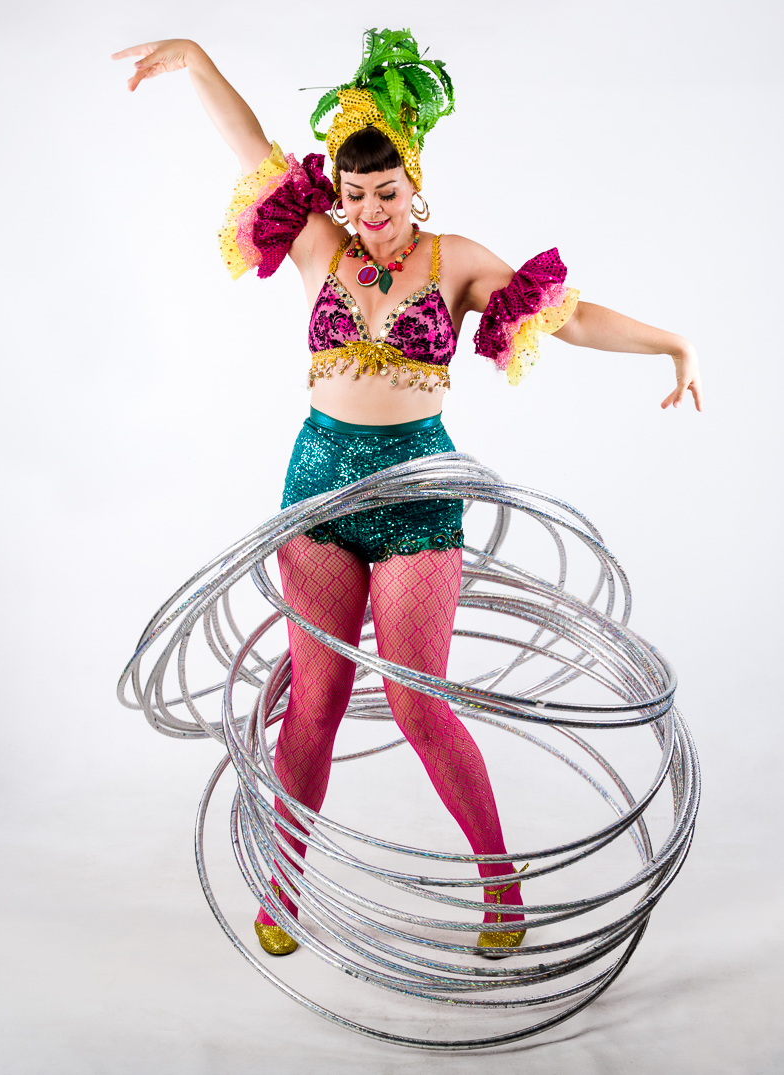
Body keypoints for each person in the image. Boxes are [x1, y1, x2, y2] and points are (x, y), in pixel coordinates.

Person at [113, 30, 702, 960]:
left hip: (419, 497)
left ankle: (499, 883)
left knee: (419, 702)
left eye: (386, 193)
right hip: (318, 491)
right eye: (355, 195)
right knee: (315, 702)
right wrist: (195, 58)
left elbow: (570, 315)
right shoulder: (318, 242)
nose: (371, 212)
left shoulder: (455, 261)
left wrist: (673, 343)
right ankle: (287, 883)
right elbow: (249, 143)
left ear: (412, 183)